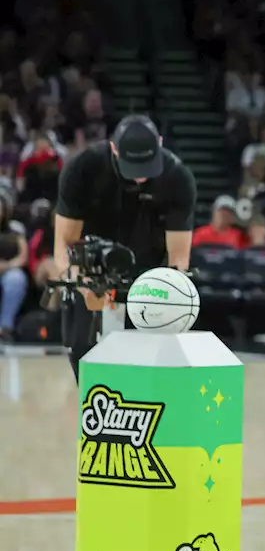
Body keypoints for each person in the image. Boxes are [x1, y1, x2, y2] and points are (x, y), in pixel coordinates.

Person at [54, 115, 197, 382]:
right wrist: (79, 282)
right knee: (86, 360)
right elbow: (64, 245)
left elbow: (178, 259)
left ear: (161, 144)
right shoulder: (82, 168)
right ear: (114, 149)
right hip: (92, 268)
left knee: (148, 369)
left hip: (148, 274)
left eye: (147, 165)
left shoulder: (177, 177)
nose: (141, 176)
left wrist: (168, 300)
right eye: (133, 166)